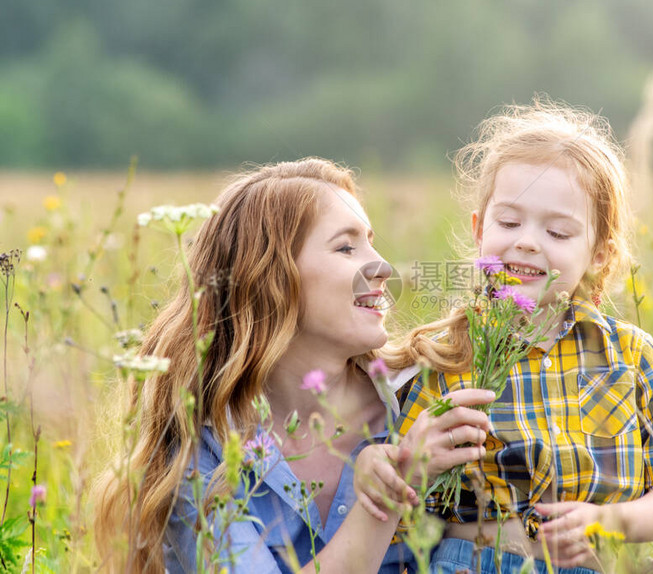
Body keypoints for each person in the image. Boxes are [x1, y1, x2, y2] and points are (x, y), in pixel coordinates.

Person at [93, 159, 493, 573]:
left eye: (371, 242)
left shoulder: (421, 399)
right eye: (346, 247)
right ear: (271, 278)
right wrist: (398, 484)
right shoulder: (202, 455)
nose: (383, 268)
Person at [380, 99, 653, 573]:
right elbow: (402, 510)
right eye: (509, 223)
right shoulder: (442, 357)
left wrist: (608, 521)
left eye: (558, 231)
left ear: (599, 254)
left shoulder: (632, 357)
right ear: (478, 230)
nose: (528, 241)